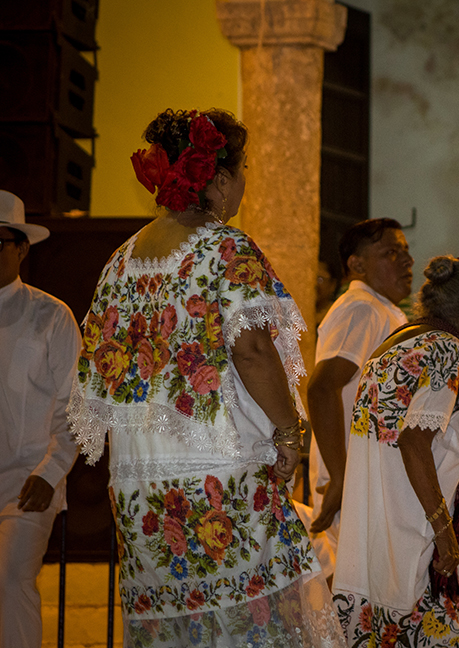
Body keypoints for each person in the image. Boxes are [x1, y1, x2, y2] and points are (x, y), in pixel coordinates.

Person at [67, 109, 345, 648]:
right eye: (243, 171)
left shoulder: (120, 263)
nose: (243, 183)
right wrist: (291, 432)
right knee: (255, 625)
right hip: (220, 475)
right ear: (217, 179)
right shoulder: (225, 248)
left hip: (143, 491)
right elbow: (254, 352)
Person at [332, 255, 459, 648]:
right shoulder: (449, 352)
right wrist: (445, 534)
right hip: (418, 557)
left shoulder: (392, 347)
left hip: (376, 553)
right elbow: (414, 441)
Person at [0, 191, 80, 648]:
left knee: (11, 580)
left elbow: (76, 406)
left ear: (22, 248)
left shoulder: (51, 315)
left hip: (28, 484)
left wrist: (50, 472)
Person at [307, 218, 413, 556]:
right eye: (391, 253)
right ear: (357, 265)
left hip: (369, 482)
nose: (407, 261)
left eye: (405, 251)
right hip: (354, 484)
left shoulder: (380, 309)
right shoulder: (362, 308)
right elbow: (322, 388)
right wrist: (340, 478)